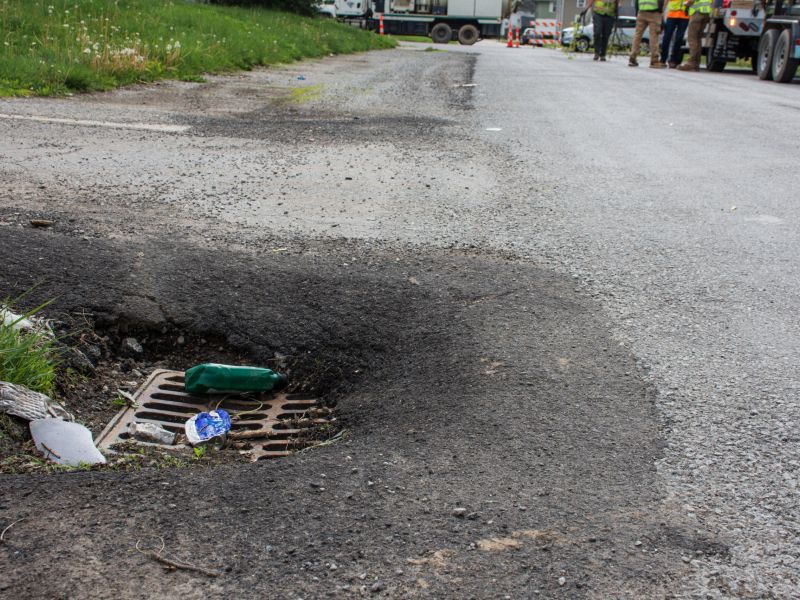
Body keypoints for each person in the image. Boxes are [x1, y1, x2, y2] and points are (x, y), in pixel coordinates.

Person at [629, 0, 666, 68]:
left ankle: (632, 58)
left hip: (641, 12)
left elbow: (636, 1)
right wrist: (660, 11)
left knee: (637, 35)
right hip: (654, 13)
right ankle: (654, 61)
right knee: (654, 36)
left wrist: (637, 12)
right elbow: (661, 2)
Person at [677, 0, 712, 71]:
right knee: (698, 39)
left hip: (697, 13)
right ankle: (696, 64)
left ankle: (691, 63)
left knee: (692, 38)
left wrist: (686, 4)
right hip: (705, 13)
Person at [661, 0, 689, 67]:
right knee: (667, 37)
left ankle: (673, 60)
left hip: (685, 15)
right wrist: (662, 12)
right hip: (672, 15)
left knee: (679, 38)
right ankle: (663, 59)